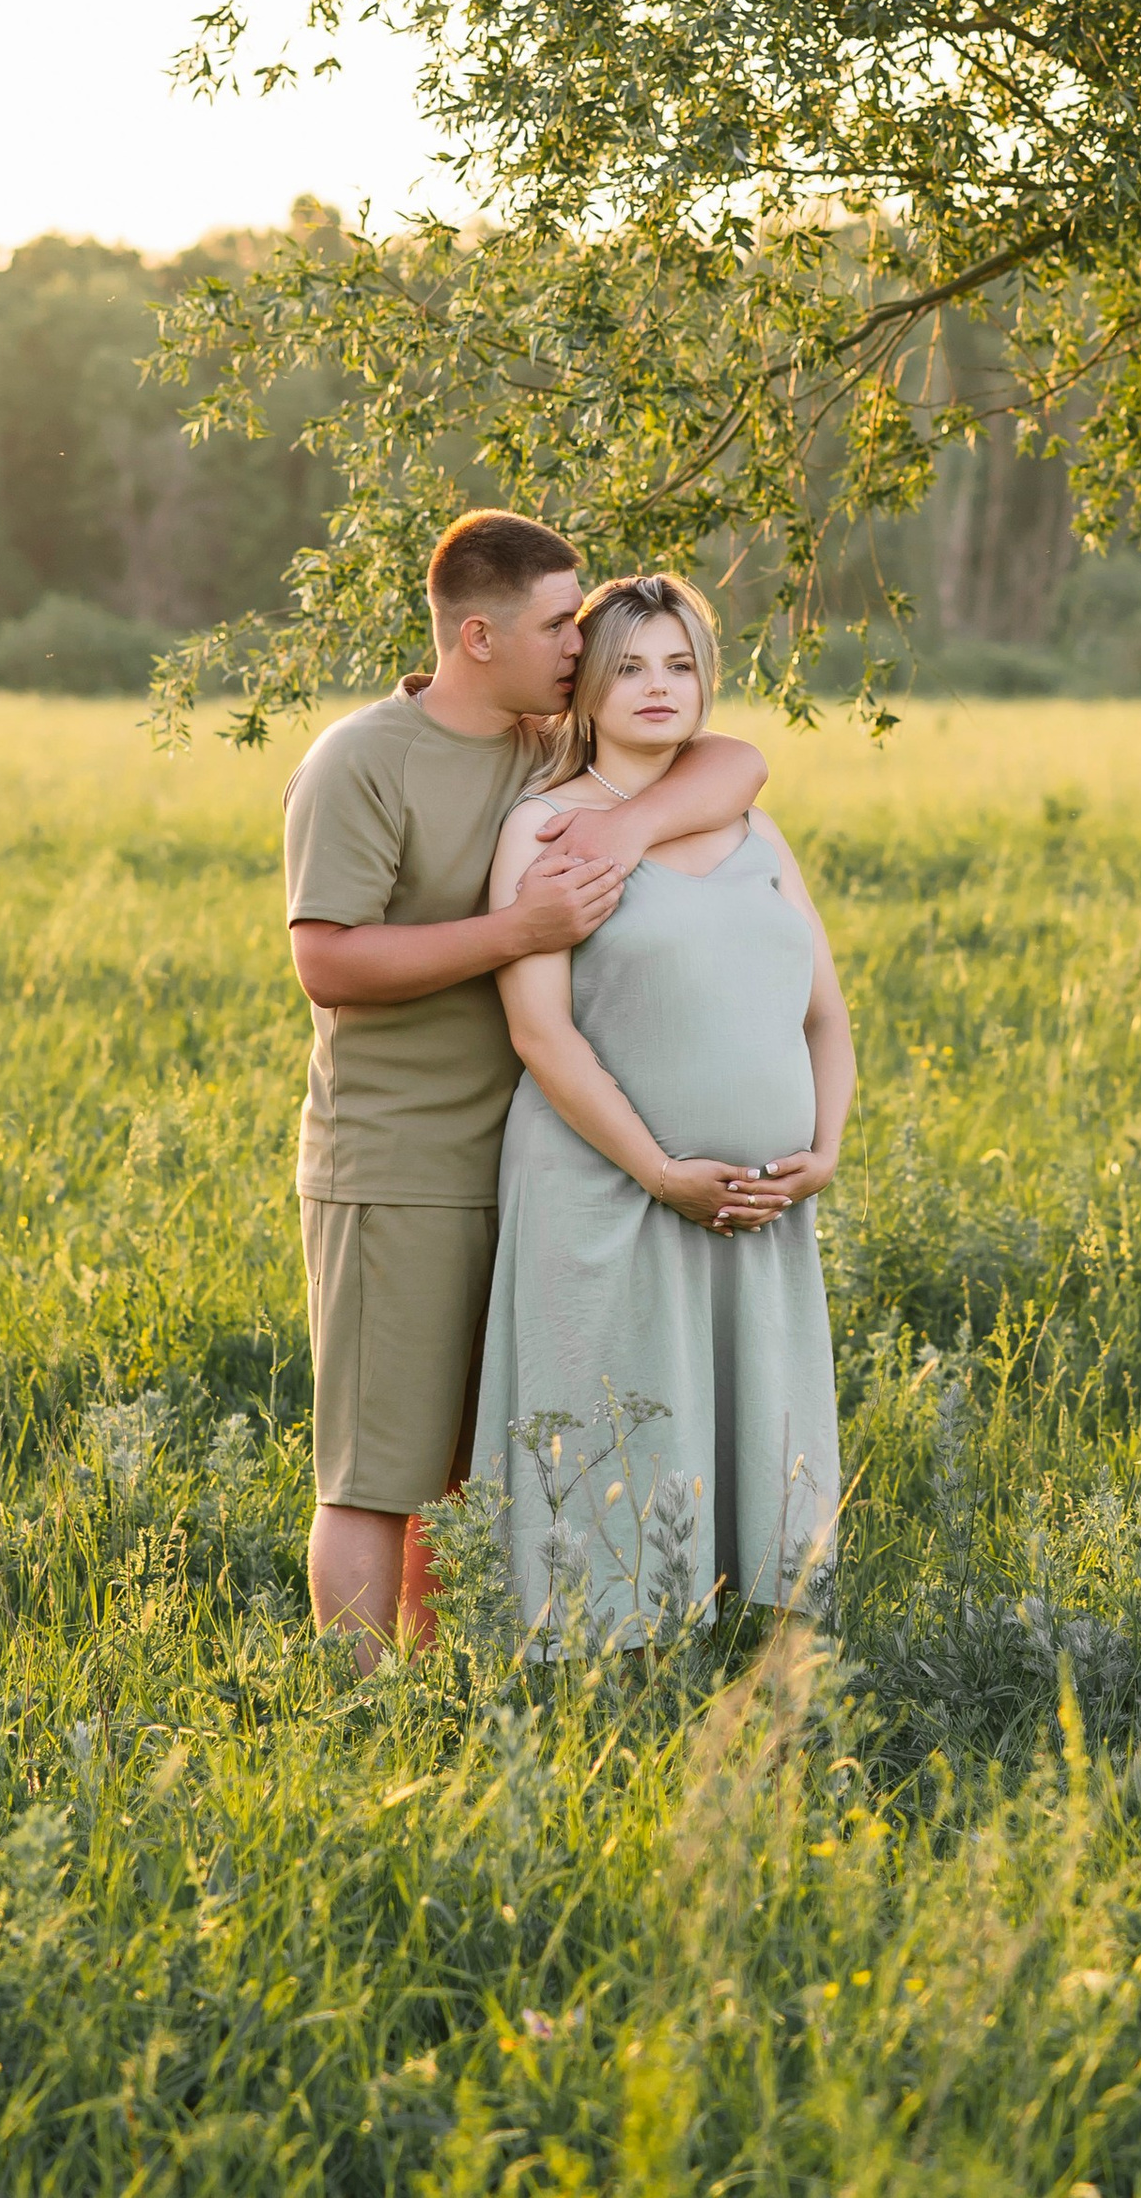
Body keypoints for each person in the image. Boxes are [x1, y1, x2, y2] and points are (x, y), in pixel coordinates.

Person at [284, 510, 769, 1650]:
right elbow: (328, 959)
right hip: (396, 1164)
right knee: (375, 1465)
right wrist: (521, 927)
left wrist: (637, 823)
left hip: (539, 1157)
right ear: (476, 634)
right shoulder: (361, 759)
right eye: (559, 622)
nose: (579, 642)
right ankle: (358, 1714)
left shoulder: (541, 746)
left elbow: (738, 758)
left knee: (473, 1456)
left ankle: (443, 1686)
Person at [472, 573, 854, 1643]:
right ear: (587, 684)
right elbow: (540, 1030)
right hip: (609, 1192)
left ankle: (749, 1658)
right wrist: (658, 1169)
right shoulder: (546, 830)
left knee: (754, 1441)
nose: (657, 685)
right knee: (607, 1431)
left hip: (758, 1209)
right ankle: (592, 1680)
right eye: (629, 663)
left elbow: (825, 1012)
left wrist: (822, 1149)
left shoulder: (755, 825)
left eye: (679, 663)